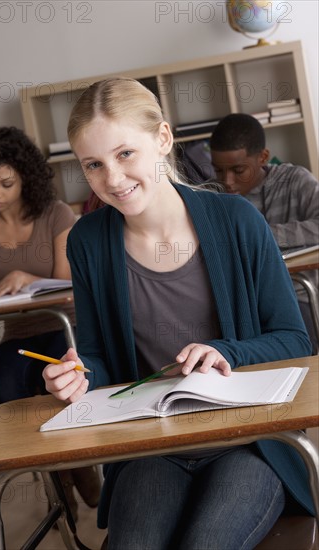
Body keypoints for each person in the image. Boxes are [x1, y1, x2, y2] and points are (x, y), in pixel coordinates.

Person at [42, 78, 313, 550]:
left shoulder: (237, 220)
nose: (112, 179)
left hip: (246, 444)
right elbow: (99, 357)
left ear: (163, 139)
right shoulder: (87, 241)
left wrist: (223, 351)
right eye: (94, 165)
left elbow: (294, 339)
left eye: (125, 154)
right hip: (151, 447)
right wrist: (80, 376)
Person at [0, 126, 100, 513]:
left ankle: (79, 465)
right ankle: (58, 480)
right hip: (17, 333)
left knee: (51, 386)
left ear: (25, 178)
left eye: (5, 183)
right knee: (2, 389)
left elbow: (68, 283)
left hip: (64, 326)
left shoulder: (56, 213)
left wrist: (28, 278)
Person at [209, 113, 319, 353]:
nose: (227, 181)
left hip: (297, 295)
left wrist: (262, 236)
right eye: (218, 170)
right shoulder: (211, 195)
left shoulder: (295, 181)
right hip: (239, 306)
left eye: (239, 170)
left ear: (263, 157)